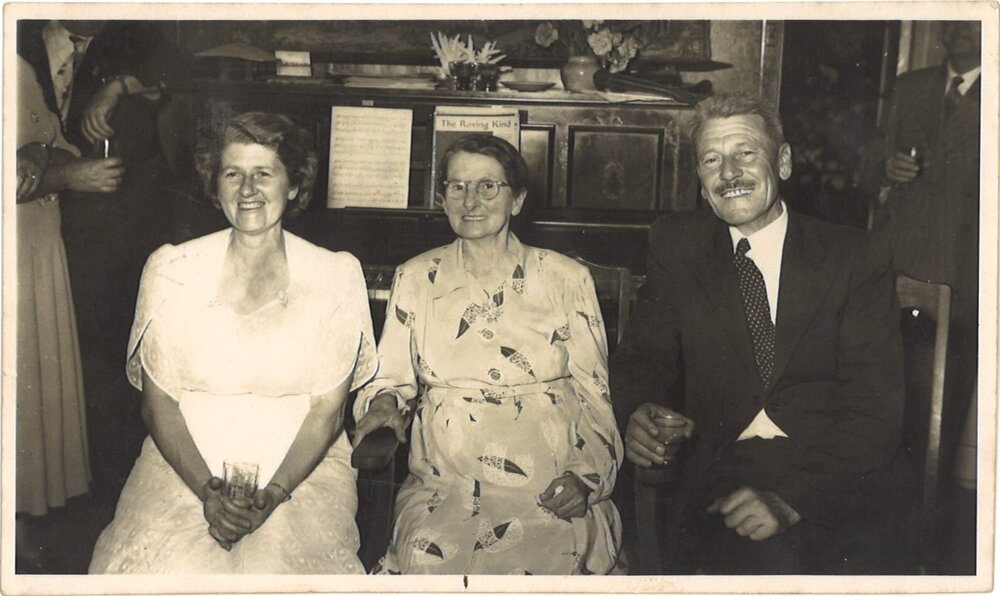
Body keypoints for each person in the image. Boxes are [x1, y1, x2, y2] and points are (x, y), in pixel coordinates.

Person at [612, 92, 905, 574]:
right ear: (701, 185)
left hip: (838, 468)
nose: (729, 173)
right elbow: (643, 356)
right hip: (722, 464)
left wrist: (792, 499)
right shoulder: (677, 244)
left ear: (783, 162)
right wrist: (638, 409)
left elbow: (875, 407)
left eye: (745, 153)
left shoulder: (853, 254)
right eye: (712, 160)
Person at [89, 112, 377, 574]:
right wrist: (208, 492)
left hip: (298, 469)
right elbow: (157, 404)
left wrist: (273, 496)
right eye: (232, 174)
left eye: (263, 173)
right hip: (185, 464)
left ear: (295, 185)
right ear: (214, 185)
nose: (247, 190)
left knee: (273, 567)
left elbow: (328, 411)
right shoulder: (171, 268)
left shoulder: (336, 273)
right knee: (170, 568)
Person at [353, 134, 623, 575]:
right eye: (457, 187)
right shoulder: (416, 277)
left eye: (487, 186)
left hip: (550, 480)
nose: (471, 201)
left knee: (554, 554)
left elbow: (595, 397)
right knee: (429, 558)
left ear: (516, 200)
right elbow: (391, 379)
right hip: (447, 481)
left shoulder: (565, 278)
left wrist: (584, 478)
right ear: (442, 199)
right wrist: (384, 402)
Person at [18, 20, 195, 492]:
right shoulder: (17, 32)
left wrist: (116, 87)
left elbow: (177, 68)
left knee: (104, 362)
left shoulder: (132, 32)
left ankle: (97, 487)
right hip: (28, 235)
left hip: (111, 234)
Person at [863, 20, 981, 495]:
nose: (962, 30)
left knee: (940, 415)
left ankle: (923, 526)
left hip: (964, 277)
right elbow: (869, 163)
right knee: (884, 398)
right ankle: (880, 512)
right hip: (899, 270)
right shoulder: (910, 87)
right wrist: (884, 169)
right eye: (953, 21)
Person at [16, 54, 124, 571]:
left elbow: (35, 141)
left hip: (32, 251)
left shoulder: (13, 64)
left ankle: (17, 530)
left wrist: (40, 156)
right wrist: (68, 177)